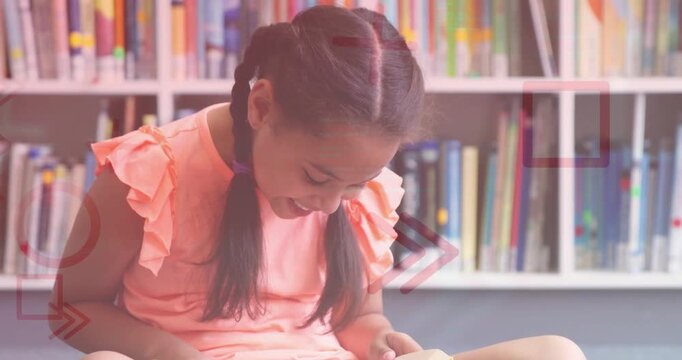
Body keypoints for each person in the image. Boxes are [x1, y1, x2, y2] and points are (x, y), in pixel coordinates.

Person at [49, 5, 586, 360]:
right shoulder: (150, 173)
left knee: (557, 352)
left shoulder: (361, 191)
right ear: (261, 107)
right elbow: (72, 308)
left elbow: (359, 317)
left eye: (356, 184)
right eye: (317, 177)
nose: (332, 206)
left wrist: (382, 343)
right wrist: (171, 352)